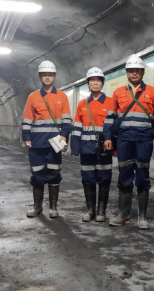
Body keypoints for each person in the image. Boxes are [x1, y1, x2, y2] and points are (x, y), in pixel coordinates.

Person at [103, 55, 154, 230]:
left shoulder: (152, 92)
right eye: (131, 71)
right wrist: (108, 137)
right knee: (124, 174)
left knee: (142, 175)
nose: (134, 73)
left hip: (144, 140)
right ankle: (123, 214)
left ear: (142, 72)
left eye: (137, 70)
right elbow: (110, 118)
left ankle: (142, 216)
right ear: (127, 73)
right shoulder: (118, 93)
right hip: (124, 140)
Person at [22, 61, 73, 219]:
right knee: (37, 175)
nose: (47, 77)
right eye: (44, 75)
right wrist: (26, 138)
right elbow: (27, 119)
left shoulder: (62, 97)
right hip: (37, 144)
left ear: (54, 76)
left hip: (54, 144)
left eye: (50, 74)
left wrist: (64, 136)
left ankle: (53, 208)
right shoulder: (33, 97)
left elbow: (67, 121)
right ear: (40, 77)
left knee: (54, 174)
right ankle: (37, 207)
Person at [71, 67, 114, 223]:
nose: (95, 83)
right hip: (86, 149)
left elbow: (115, 127)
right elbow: (77, 127)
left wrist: (115, 147)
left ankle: (101, 211)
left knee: (104, 179)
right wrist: (75, 148)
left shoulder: (111, 102)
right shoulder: (82, 104)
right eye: (92, 80)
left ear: (102, 83)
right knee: (87, 179)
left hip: (104, 149)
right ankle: (91, 211)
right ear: (88, 84)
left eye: (98, 80)